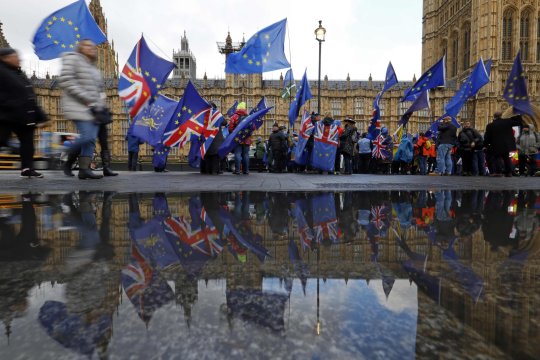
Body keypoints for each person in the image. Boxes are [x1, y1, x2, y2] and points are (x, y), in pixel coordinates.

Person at [58, 39, 106, 180]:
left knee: (90, 140)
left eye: (93, 46)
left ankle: (84, 169)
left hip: (92, 109)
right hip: (77, 106)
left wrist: (101, 105)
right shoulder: (72, 59)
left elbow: (97, 90)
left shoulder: (92, 67)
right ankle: (67, 156)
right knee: (88, 136)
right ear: (80, 48)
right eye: (87, 45)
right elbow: (66, 80)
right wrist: (85, 97)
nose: (91, 48)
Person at [0, 48, 48, 178]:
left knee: (27, 143)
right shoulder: (3, 72)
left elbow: (30, 96)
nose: (18, 59)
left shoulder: (19, 74)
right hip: (7, 115)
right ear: (5, 58)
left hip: (23, 115)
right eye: (15, 56)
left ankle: (27, 168)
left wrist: (41, 116)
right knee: (2, 140)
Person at [484, 111, 523, 177]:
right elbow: (519, 123)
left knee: (497, 158)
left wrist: (485, 145)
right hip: (507, 145)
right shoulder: (507, 121)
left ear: (494, 116)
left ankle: (499, 172)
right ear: (501, 115)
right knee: (506, 158)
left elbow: (488, 137)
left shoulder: (490, 125)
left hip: (496, 145)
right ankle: (509, 173)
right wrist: (518, 115)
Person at [228, 101, 251, 174]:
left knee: (237, 154)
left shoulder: (234, 116)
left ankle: (237, 170)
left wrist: (232, 134)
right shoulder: (249, 116)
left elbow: (230, 127)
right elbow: (253, 127)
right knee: (246, 155)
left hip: (237, 139)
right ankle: (246, 170)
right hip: (247, 139)